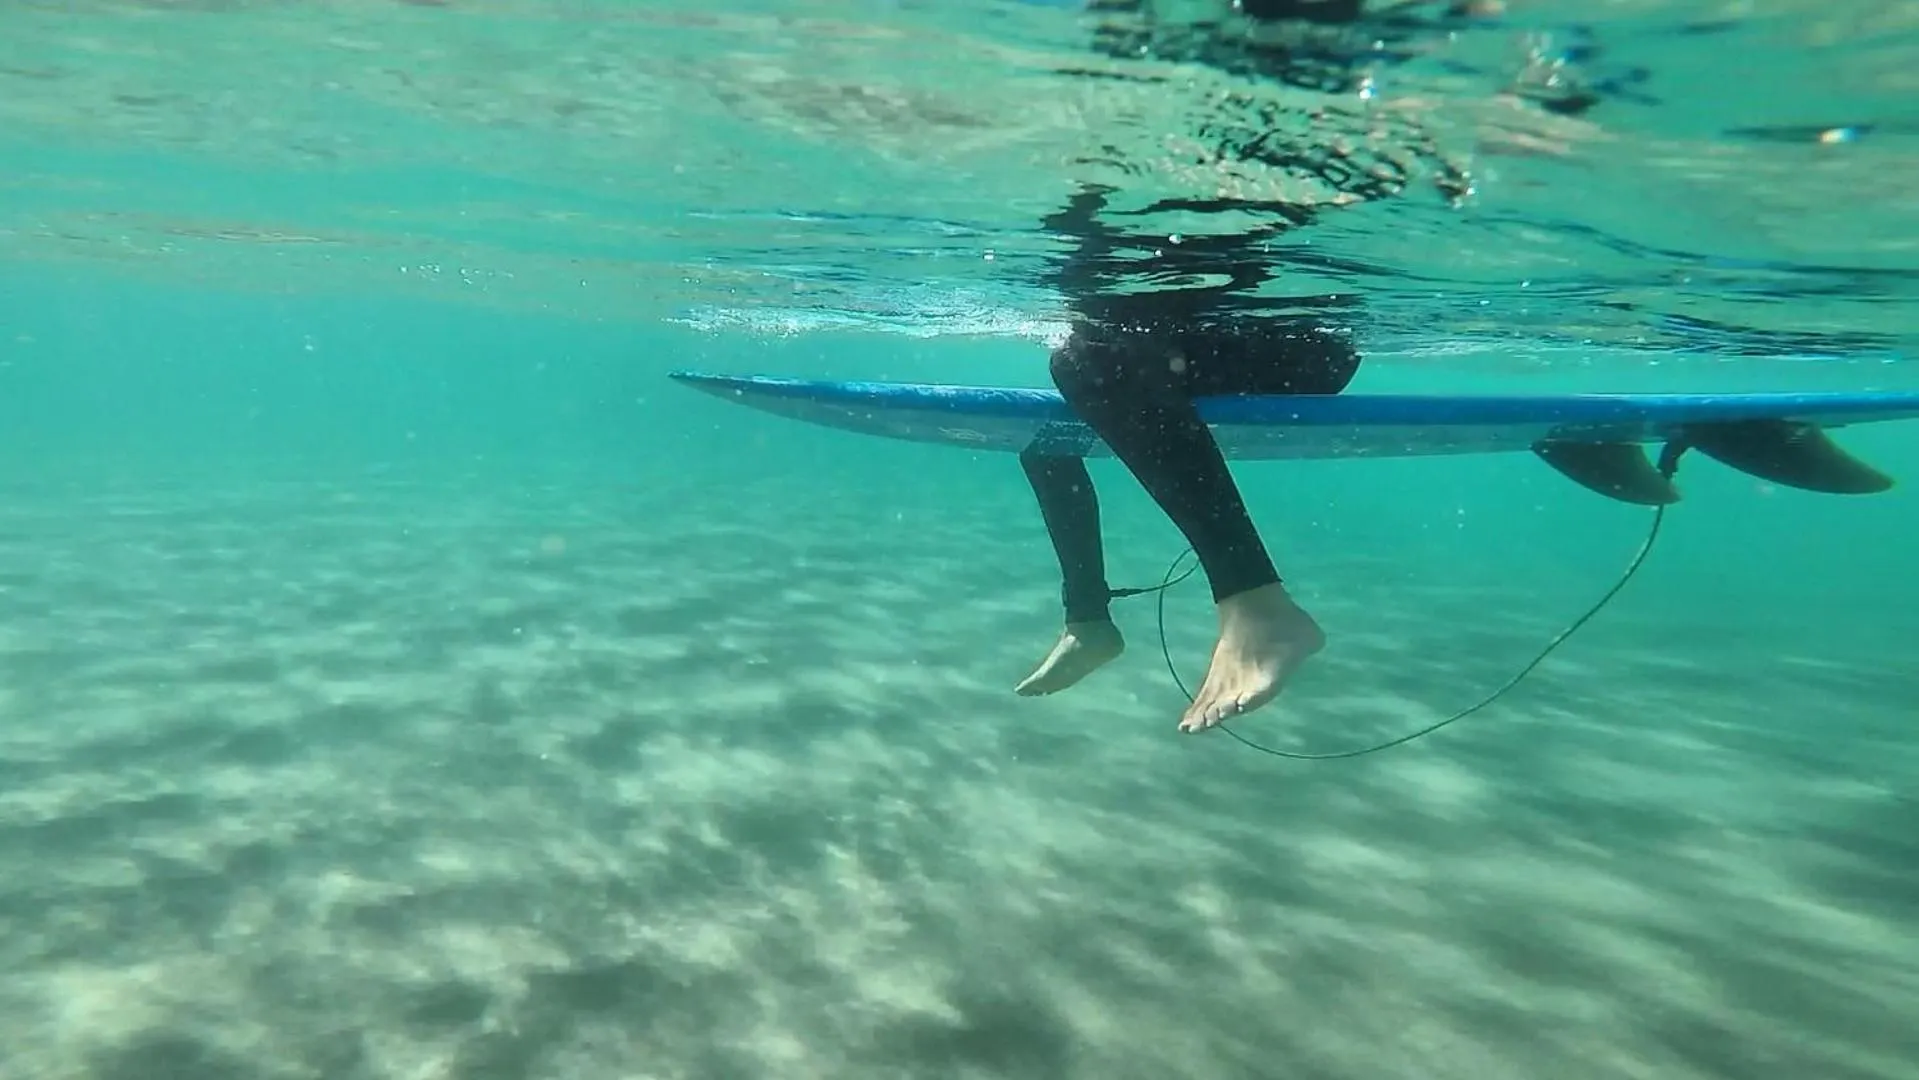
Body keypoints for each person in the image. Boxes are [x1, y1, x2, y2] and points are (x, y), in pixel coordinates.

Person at [1014, 185, 1360, 733]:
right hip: (1173, 343)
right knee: (1049, 438)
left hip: (1299, 342)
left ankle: (1257, 604)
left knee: (1088, 365)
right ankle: (1088, 620)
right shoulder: (1111, 191)